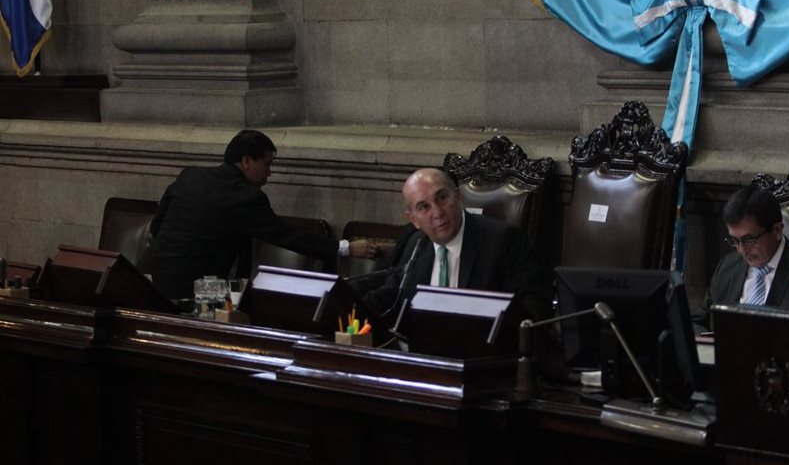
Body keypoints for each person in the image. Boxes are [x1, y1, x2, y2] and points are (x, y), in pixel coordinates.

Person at [137, 130, 375, 300]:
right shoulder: (245, 197)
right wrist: (346, 248)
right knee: (261, 308)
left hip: (143, 280)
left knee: (242, 296)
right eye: (267, 164)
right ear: (247, 161)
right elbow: (289, 236)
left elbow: (157, 227)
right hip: (191, 293)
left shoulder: (190, 176)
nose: (269, 173)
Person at [360, 168, 552, 325]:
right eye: (424, 207)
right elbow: (389, 296)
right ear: (414, 220)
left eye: (442, 198)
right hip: (423, 358)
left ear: (458, 197)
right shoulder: (415, 244)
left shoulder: (504, 242)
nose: (437, 213)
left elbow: (533, 315)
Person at [695, 186, 789, 331]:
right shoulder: (727, 266)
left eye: (749, 240)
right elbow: (701, 320)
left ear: (777, 231)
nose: (742, 250)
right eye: (734, 240)